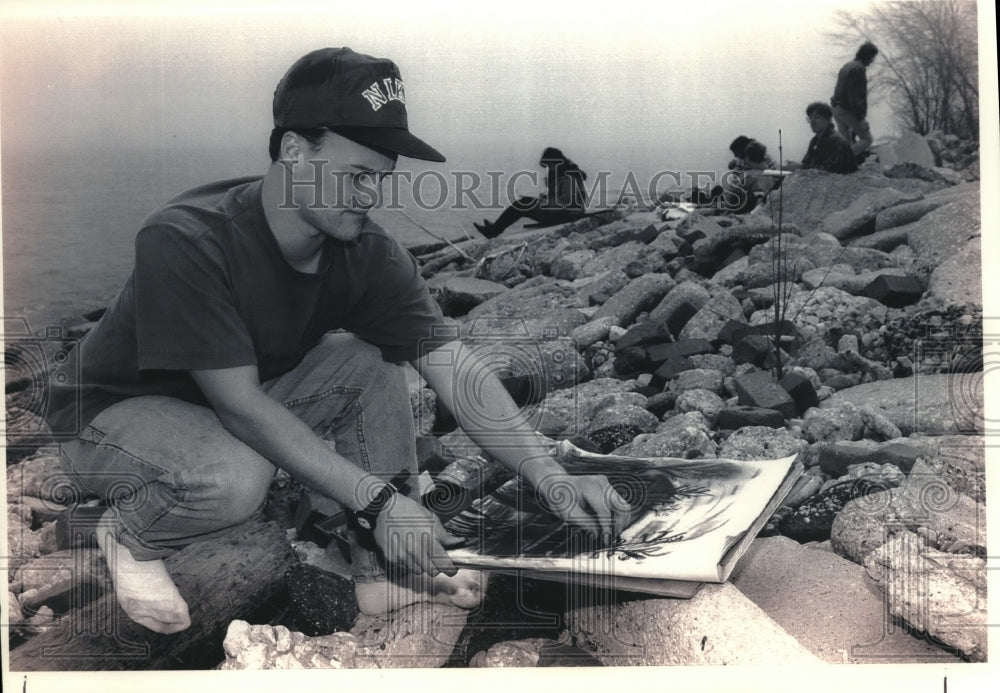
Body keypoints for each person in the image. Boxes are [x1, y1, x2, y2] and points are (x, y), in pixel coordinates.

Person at [45, 47, 630, 634]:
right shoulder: (186, 239)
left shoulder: (366, 253)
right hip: (106, 412)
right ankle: (131, 533)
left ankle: (379, 574)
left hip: (224, 398)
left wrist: (548, 474)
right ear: (296, 152)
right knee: (236, 476)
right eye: (356, 176)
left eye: (381, 179)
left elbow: (454, 367)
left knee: (367, 360)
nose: (371, 196)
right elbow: (240, 407)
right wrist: (377, 502)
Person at [473, 148, 587, 238]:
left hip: (566, 216)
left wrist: (543, 203)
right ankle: (494, 229)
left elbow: (565, 202)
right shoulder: (564, 174)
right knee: (523, 204)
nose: (548, 169)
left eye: (549, 165)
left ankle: (494, 230)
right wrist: (544, 200)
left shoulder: (569, 177)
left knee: (522, 204)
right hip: (564, 213)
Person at [831, 41, 878, 161]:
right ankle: (841, 161)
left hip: (837, 108)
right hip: (847, 110)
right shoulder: (859, 69)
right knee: (867, 139)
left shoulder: (847, 66)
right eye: (873, 57)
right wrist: (861, 118)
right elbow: (855, 96)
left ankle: (844, 167)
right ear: (868, 56)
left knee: (846, 143)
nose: (873, 61)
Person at [785, 101, 858, 174]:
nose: (812, 122)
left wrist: (800, 168)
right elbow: (808, 164)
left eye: (817, 117)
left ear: (828, 120)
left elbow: (828, 171)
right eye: (810, 118)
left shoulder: (836, 141)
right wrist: (795, 166)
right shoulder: (815, 140)